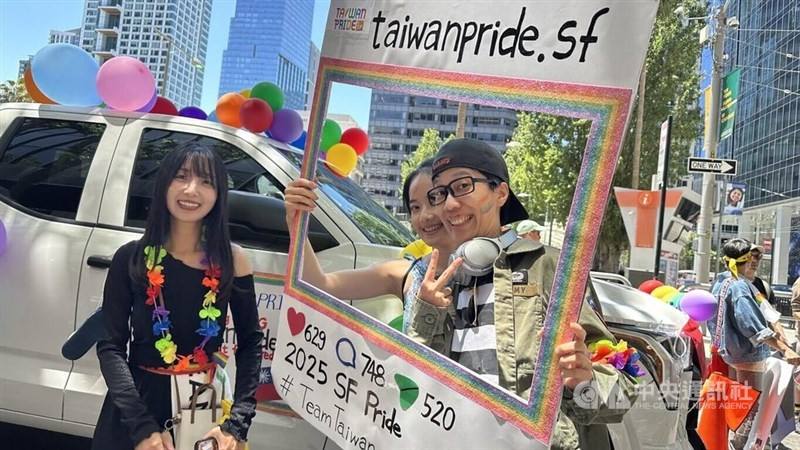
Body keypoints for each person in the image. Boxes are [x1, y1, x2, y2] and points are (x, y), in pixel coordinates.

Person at [406, 138, 637, 450]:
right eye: (440, 193)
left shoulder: (550, 266)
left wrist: (585, 381)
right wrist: (427, 317)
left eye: (461, 186)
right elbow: (415, 384)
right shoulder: (442, 281)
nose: (447, 204)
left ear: (501, 193)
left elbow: (622, 390)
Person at [93, 144, 262, 450]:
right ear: (164, 184)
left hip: (201, 407)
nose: (191, 189)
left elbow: (251, 343)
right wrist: (143, 428)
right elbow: (110, 346)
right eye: (181, 176)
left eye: (206, 181)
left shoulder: (232, 261)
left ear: (219, 194)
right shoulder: (131, 258)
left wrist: (236, 424)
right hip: (135, 413)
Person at [283, 158, 457, 331]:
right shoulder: (404, 274)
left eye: (434, 199)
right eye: (415, 207)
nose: (425, 216)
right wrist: (296, 221)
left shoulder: (482, 269)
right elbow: (317, 285)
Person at [708, 238, 800, 449]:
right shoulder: (739, 286)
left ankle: (744, 443)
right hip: (746, 357)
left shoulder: (722, 282)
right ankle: (739, 445)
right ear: (743, 260)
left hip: (730, 355)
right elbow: (755, 329)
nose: (756, 261)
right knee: (748, 409)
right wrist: (785, 350)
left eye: (758, 256)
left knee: (739, 405)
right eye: (752, 257)